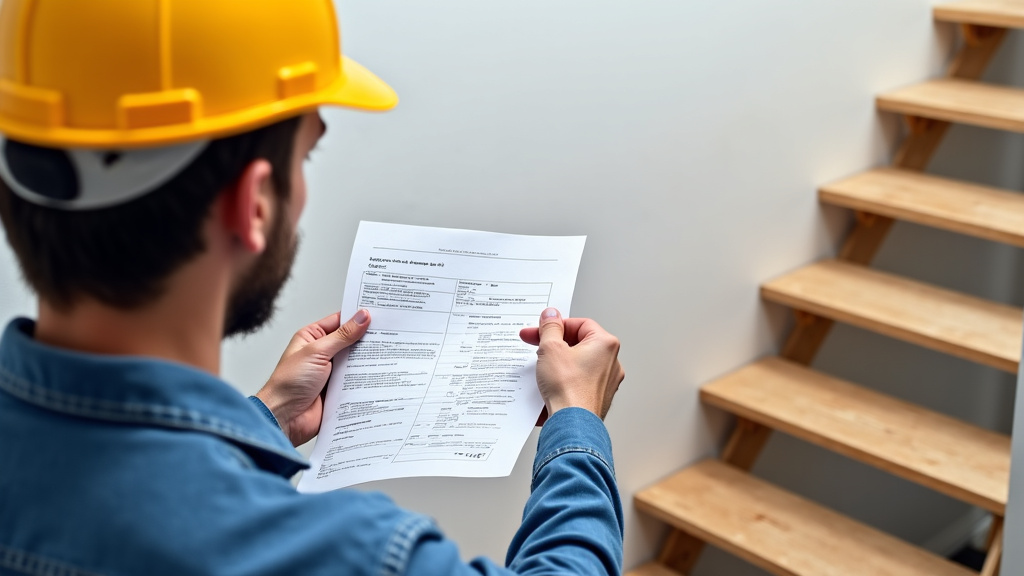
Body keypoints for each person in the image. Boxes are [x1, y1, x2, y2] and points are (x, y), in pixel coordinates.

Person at [0, 1, 626, 575]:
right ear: (254, 205)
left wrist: (266, 415)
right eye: (305, 158)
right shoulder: (347, 555)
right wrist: (576, 421)